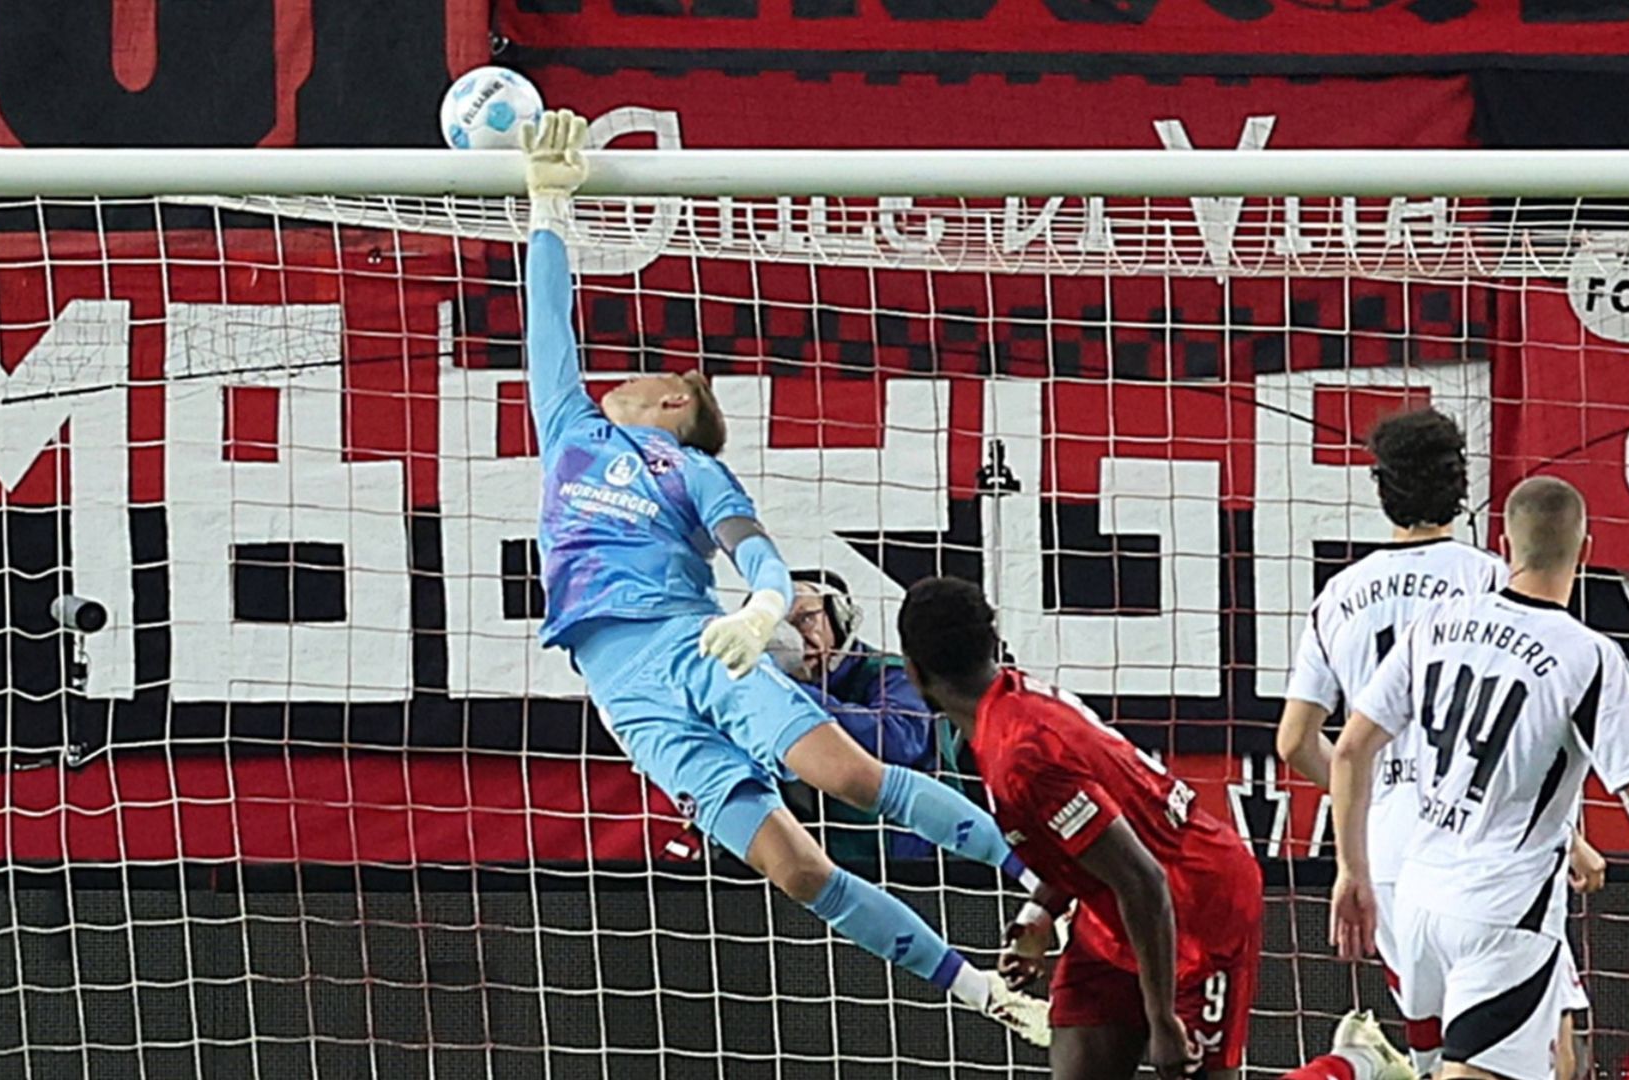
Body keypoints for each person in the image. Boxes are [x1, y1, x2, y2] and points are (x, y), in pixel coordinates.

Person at [516, 111, 1047, 1043]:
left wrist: (763, 606)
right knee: (796, 873)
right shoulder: (569, 430)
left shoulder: (689, 467)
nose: (619, 379)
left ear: (674, 404)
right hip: (620, 689)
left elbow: (753, 551)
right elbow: (545, 328)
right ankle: (986, 993)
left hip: (695, 646)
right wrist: (548, 205)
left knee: (845, 776)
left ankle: (1042, 874)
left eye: (644, 378)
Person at [1329, 476, 1629, 1080]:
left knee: (1556, 1059)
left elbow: (1351, 750)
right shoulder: (1584, 655)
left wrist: (1352, 871)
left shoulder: (1436, 625)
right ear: (1585, 549)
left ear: (1504, 544)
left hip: (1417, 900)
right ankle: (1351, 1069)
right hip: (1502, 916)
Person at [898, 576, 1415, 1080]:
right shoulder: (1013, 705)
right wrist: (1041, 911)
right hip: (1118, 909)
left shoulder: (1020, 755)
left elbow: (1143, 878)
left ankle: (1352, 1066)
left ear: (913, 672)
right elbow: (1097, 835)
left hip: (1196, 907)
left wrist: (1162, 1018)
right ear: (993, 643)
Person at [1275, 407, 1601, 1079]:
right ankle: (1360, 1069)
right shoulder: (1491, 578)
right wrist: (1568, 836)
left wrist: (1358, 806)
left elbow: (1296, 740)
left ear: (1382, 488)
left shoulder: (1339, 595)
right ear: (1462, 482)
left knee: (1442, 1061)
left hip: (1390, 858)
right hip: (1481, 849)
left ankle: (1358, 1068)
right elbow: (1529, 723)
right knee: (1552, 1056)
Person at [768, 569, 963, 861]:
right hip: (817, 868)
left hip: (915, 867)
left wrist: (793, 694)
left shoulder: (891, 672)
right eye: (776, 629)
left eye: (805, 619)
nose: (793, 640)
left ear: (838, 616)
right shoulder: (766, 697)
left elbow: (897, 741)